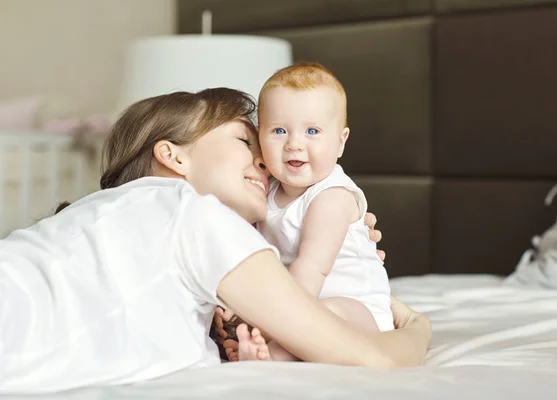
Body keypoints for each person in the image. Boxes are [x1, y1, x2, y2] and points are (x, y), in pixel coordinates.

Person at [0, 88, 431, 393]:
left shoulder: (112, 219)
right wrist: (418, 328)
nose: (265, 159)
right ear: (173, 155)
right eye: (246, 140)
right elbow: (376, 360)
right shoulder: (192, 214)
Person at [226, 62, 394, 362]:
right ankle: (268, 349)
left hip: (361, 311)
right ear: (259, 135)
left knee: (328, 314)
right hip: (295, 306)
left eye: (312, 131)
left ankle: (273, 354)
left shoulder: (333, 196)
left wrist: (271, 326)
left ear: (340, 142)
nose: (294, 144)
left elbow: (311, 268)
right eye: (279, 130)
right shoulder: (267, 191)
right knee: (308, 321)